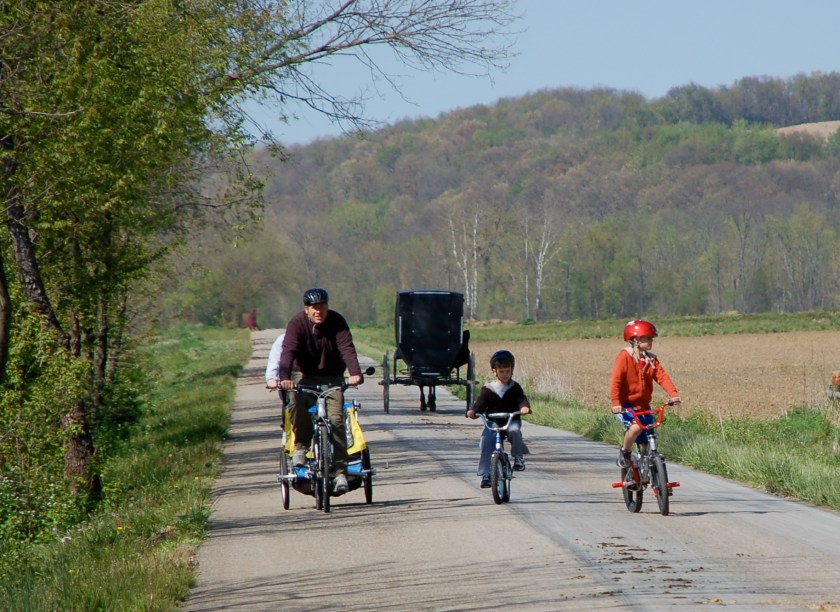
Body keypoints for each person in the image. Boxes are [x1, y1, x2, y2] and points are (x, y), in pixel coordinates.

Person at [278, 288, 363, 494]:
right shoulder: (297, 324)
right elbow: (288, 350)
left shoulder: (337, 322)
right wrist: (284, 378)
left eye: (322, 307)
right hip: (303, 375)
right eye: (314, 308)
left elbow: (347, 348)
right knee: (296, 400)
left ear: (327, 307)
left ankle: (341, 473)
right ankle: (301, 447)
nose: (319, 312)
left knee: (335, 421)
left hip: (332, 377)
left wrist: (355, 373)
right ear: (306, 309)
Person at [611, 319, 682, 468]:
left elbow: (662, 377)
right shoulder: (625, 357)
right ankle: (625, 452)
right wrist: (616, 403)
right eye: (647, 338)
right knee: (635, 427)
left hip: (644, 406)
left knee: (649, 436)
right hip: (626, 406)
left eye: (651, 338)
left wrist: (673, 394)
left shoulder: (651, 360)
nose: (651, 341)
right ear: (635, 339)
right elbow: (616, 381)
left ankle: (647, 470)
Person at [466, 350, 532, 488]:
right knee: (486, 440)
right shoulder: (489, 388)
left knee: (515, 431)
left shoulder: (515, 387)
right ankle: (486, 475)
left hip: (510, 419)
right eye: (501, 371)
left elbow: (522, 399)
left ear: (512, 371)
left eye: (507, 371)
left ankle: (518, 458)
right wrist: (473, 412)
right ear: (495, 371)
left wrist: (524, 407)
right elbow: (480, 404)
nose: (505, 374)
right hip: (493, 421)